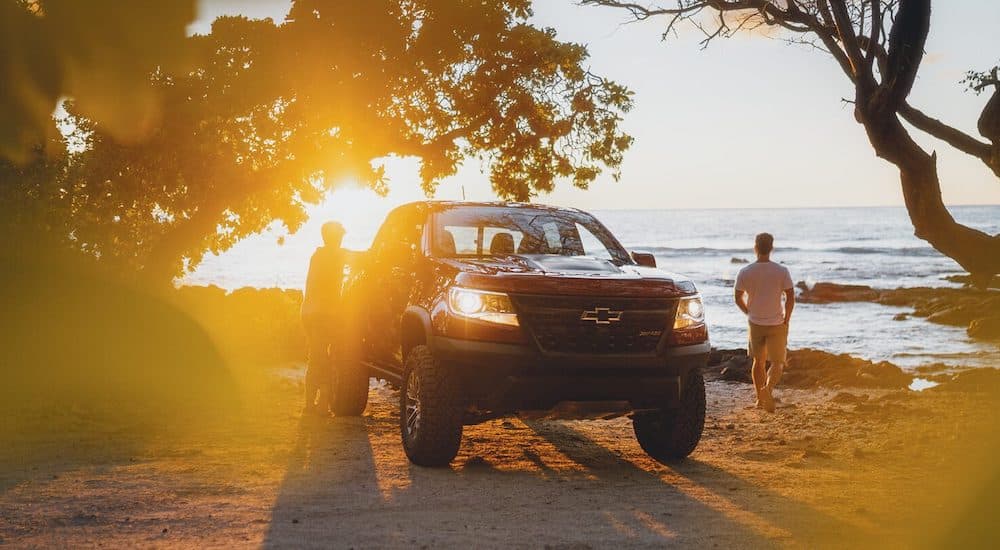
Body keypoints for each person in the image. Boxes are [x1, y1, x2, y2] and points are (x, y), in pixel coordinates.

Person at [734, 233, 794, 413]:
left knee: (758, 362)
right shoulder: (781, 271)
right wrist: (787, 318)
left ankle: (761, 400)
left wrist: (748, 312)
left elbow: (737, 297)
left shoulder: (745, 271)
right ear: (771, 248)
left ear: (755, 248)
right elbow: (790, 296)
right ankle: (767, 390)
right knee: (778, 363)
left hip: (755, 323)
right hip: (777, 322)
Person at [301, 221, 347, 415]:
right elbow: (363, 259)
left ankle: (311, 403)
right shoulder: (335, 254)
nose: (342, 238)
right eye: (340, 235)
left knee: (316, 356)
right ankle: (321, 404)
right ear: (336, 237)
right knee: (324, 358)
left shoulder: (318, 255)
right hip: (324, 314)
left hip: (309, 312)